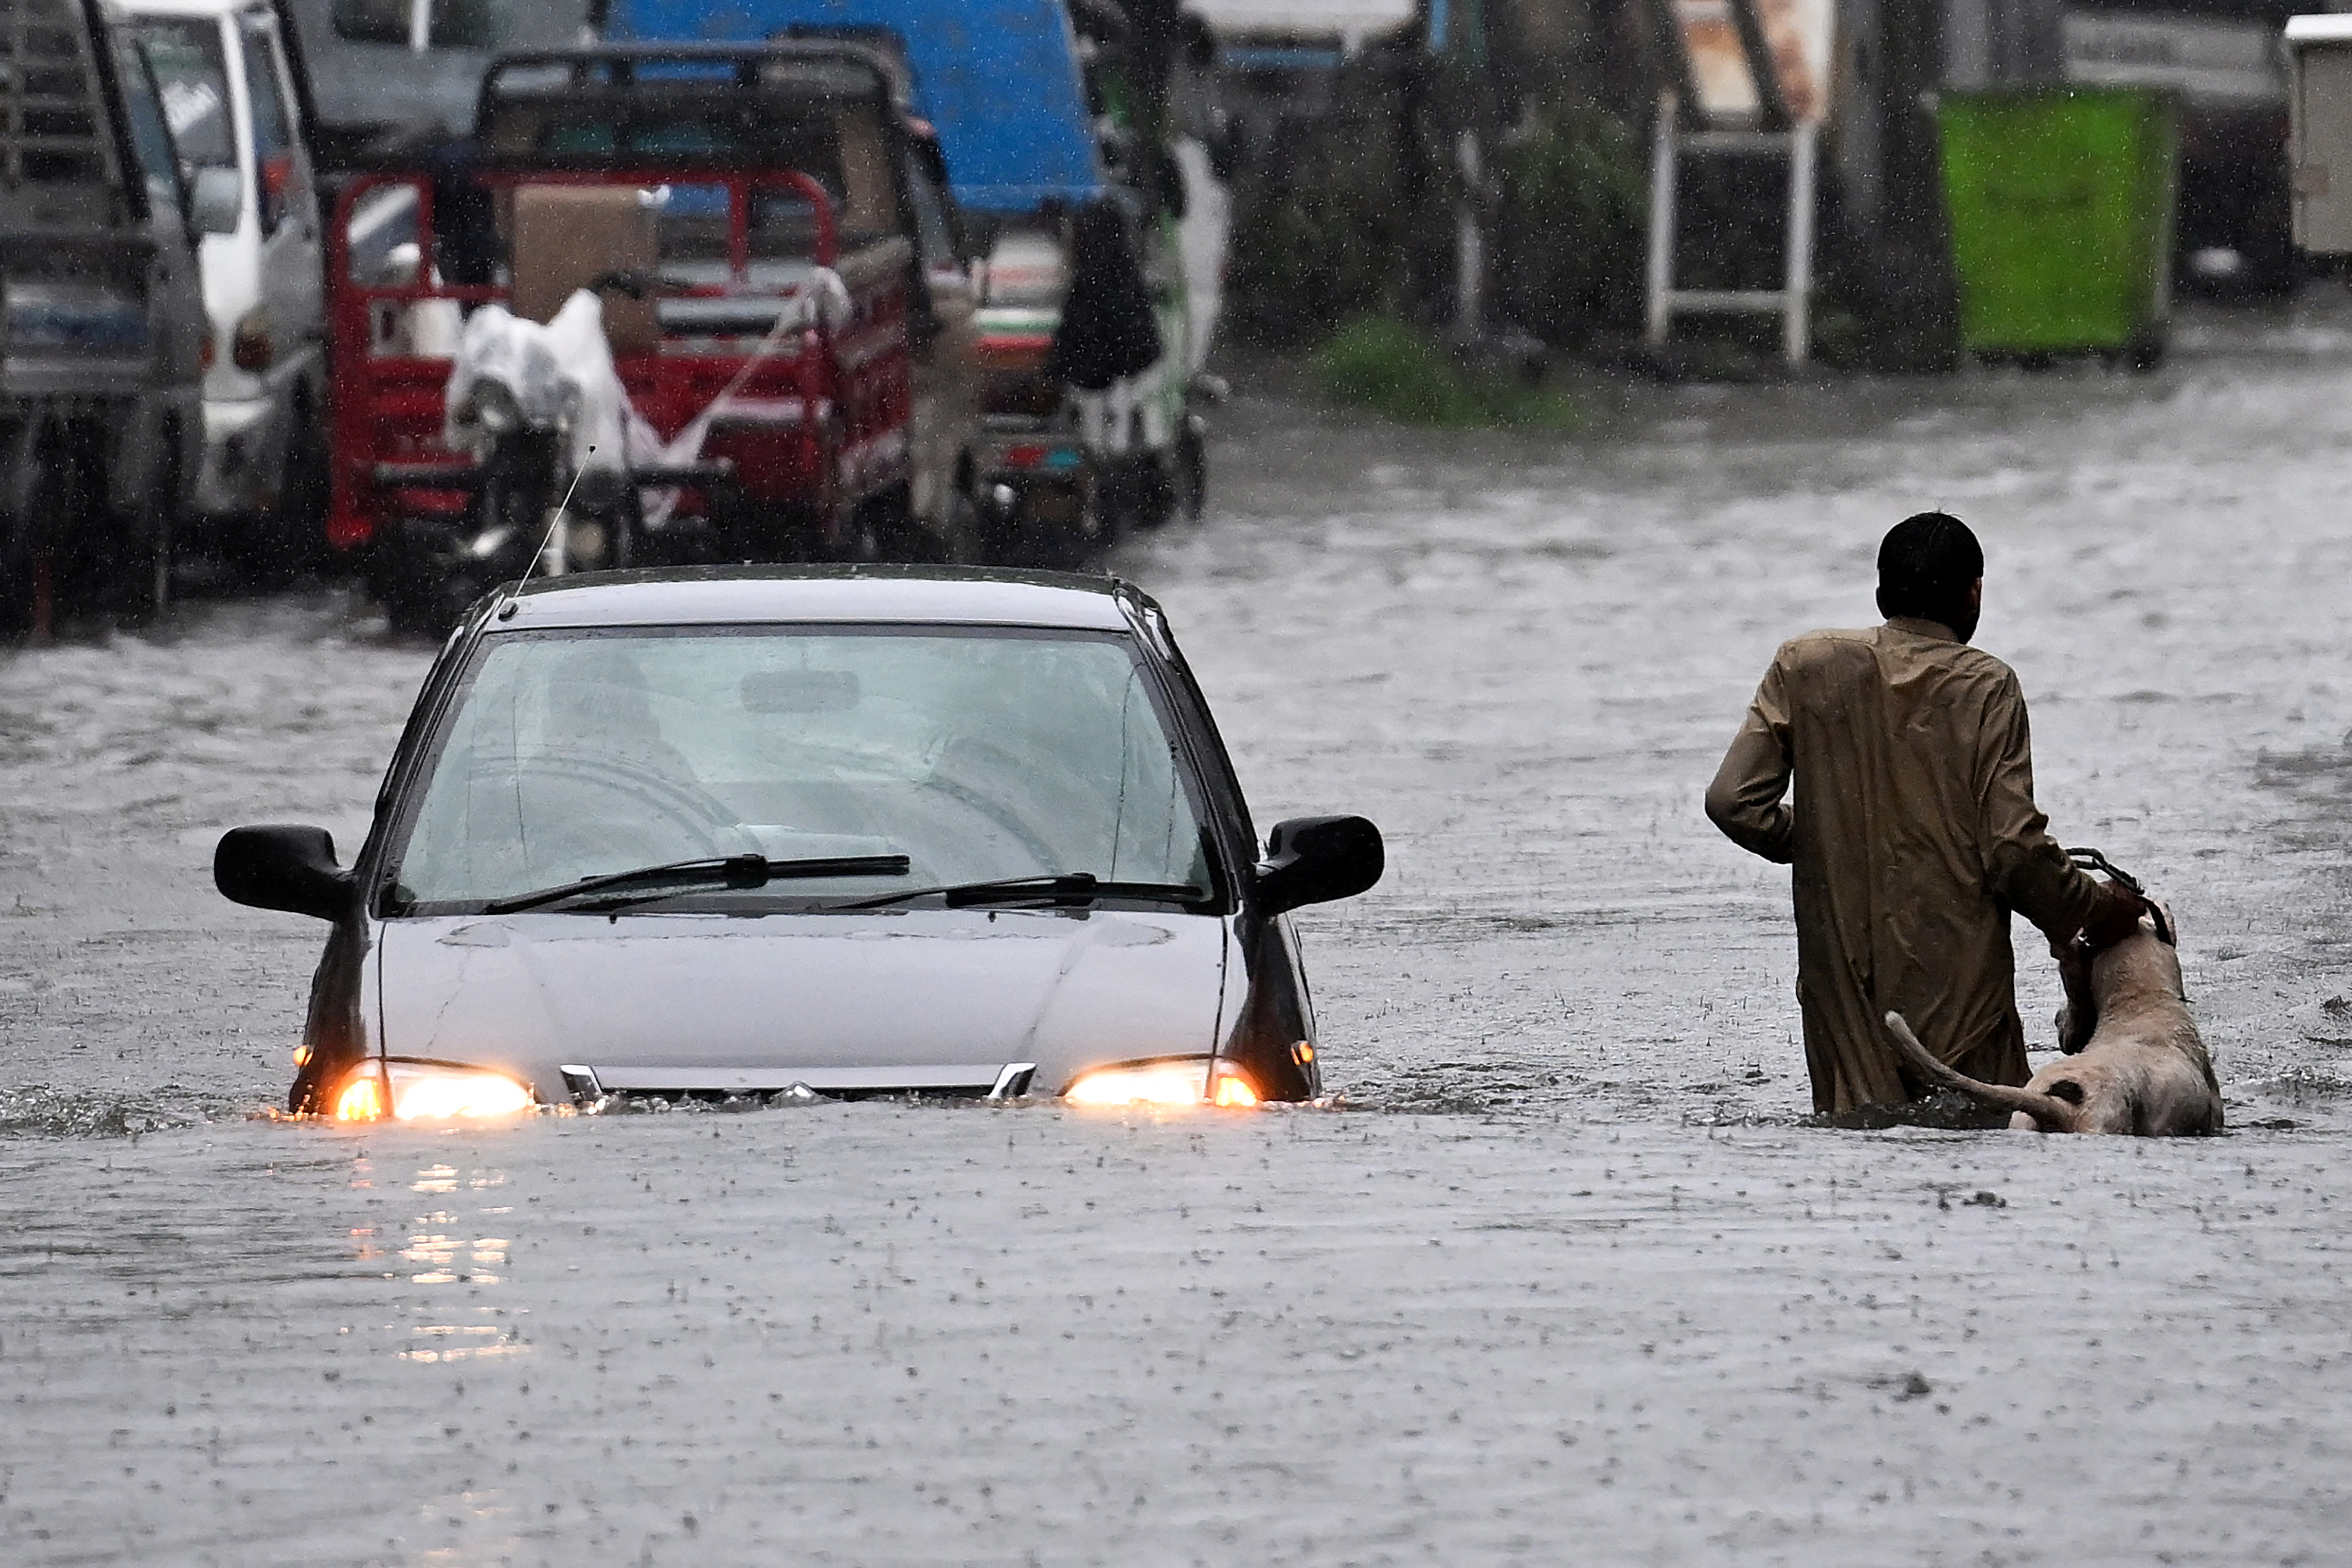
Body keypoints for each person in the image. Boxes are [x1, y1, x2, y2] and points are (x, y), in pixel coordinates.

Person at [1704, 512, 2147, 1116]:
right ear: (1974, 594)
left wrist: (1824, 840)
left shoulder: (1804, 665)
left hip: (1844, 1000)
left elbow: (1733, 801)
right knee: (1977, 1137)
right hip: (1962, 1001)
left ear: (1882, 591)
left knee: (1858, 1152)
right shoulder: (1988, 686)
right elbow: (2014, 851)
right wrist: (2097, 909)